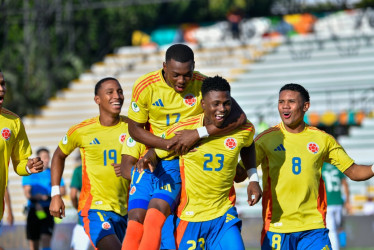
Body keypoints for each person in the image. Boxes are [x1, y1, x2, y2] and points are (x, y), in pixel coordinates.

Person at [122, 44, 247, 250]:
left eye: (187, 75)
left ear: (194, 68)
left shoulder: (203, 84)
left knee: (157, 219)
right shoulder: (145, 86)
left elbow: (239, 117)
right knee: (135, 220)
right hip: (155, 154)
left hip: (184, 161)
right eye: (175, 75)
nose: (182, 81)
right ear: (164, 67)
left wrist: (199, 133)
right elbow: (134, 129)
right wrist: (164, 145)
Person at [137, 76, 262, 249]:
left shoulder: (243, 129)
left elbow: (248, 145)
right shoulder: (183, 131)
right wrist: (149, 156)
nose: (222, 109)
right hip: (190, 217)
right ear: (203, 104)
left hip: (223, 215)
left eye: (226, 103)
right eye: (216, 104)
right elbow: (158, 148)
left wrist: (253, 178)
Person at [255, 83, 374, 250]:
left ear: (305, 106)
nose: (285, 106)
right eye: (281, 101)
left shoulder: (322, 139)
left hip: (313, 227)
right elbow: (243, 169)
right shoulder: (265, 139)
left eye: (291, 101)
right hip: (277, 227)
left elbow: (354, 171)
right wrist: (252, 181)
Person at [49, 77, 131, 250]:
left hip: (125, 210)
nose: (117, 96)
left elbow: (148, 158)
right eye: (110, 92)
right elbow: (57, 156)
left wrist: (134, 166)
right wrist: (55, 195)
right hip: (94, 209)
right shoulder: (81, 131)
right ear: (97, 99)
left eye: (120, 91)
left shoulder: (133, 128)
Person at [0, 69, 44, 223]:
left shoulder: (13, 122)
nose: (1, 89)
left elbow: (19, 162)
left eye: (3, 84)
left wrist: (27, 167)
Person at [22, 147, 66, 250]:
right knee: (34, 242)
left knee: (46, 238)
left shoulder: (54, 172)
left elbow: (63, 190)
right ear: (38, 158)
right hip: (34, 209)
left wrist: (50, 196)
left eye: (48, 157)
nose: (46, 160)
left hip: (48, 210)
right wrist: (37, 198)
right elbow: (27, 192)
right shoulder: (30, 173)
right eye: (44, 157)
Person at [322, 162, 351, 250]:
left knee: (332, 230)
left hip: (327, 202)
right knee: (338, 228)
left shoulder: (321, 166)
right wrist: (347, 201)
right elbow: (345, 184)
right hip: (338, 202)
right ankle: (340, 246)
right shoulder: (337, 166)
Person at [70, 154, 91, 250]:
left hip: (84, 216)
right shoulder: (105, 168)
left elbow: (73, 194)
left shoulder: (79, 170)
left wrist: (77, 207)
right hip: (106, 214)